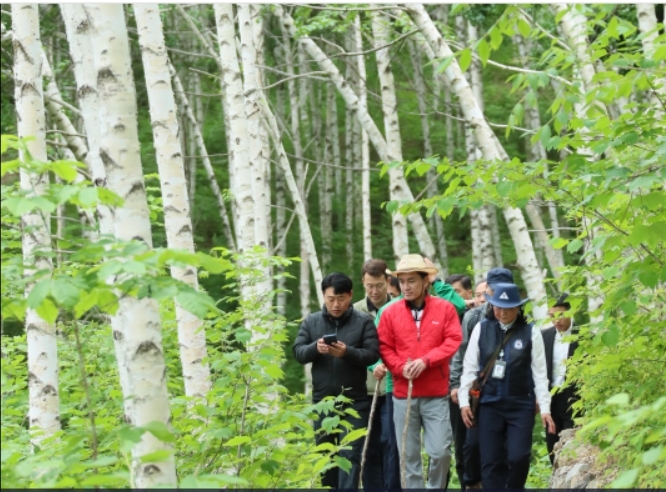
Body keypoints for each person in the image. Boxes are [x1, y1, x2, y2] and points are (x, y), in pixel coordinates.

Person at [459, 283, 556, 490]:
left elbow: (540, 374)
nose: (501, 312)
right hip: (489, 405)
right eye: (497, 307)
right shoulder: (482, 328)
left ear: (518, 308)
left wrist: (545, 409)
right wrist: (463, 402)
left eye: (508, 308)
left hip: (520, 405)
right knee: (490, 460)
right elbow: (469, 367)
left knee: (519, 456)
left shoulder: (531, 332)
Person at [377, 254, 462, 489]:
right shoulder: (389, 312)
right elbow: (384, 346)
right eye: (402, 281)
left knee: (441, 452)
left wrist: (426, 360)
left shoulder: (445, 309)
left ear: (426, 281)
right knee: (408, 455)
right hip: (404, 394)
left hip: (436, 392)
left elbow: (453, 340)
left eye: (411, 280)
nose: (406, 286)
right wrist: (398, 367)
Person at [293, 272, 380, 490]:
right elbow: (298, 352)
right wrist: (316, 348)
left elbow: (372, 354)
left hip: (355, 402)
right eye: (331, 299)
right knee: (325, 456)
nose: (336, 304)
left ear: (350, 295)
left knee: (351, 456)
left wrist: (346, 353)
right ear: (323, 295)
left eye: (341, 299)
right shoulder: (312, 321)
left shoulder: (364, 322)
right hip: (323, 402)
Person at [449, 269, 513, 490]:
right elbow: (461, 354)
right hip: (477, 390)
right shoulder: (473, 317)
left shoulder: (519, 317)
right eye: (491, 289)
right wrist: (456, 385)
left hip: (508, 392)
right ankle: (472, 483)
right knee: (471, 444)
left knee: (504, 445)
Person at [353, 260, 401, 491]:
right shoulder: (354, 312)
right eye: (370, 286)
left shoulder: (400, 308)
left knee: (392, 444)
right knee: (368, 447)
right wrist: (373, 365)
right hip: (365, 390)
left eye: (379, 285)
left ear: (388, 282)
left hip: (394, 390)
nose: (374, 291)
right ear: (363, 282)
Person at [541, 293, 580, 465]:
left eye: (560, 315)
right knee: (552, 443)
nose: (556, 320)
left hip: (575, 398)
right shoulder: (545, 336)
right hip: (551, 398)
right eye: (552, 316)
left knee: (573, 443)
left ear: (570, 313)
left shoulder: (585, 336)